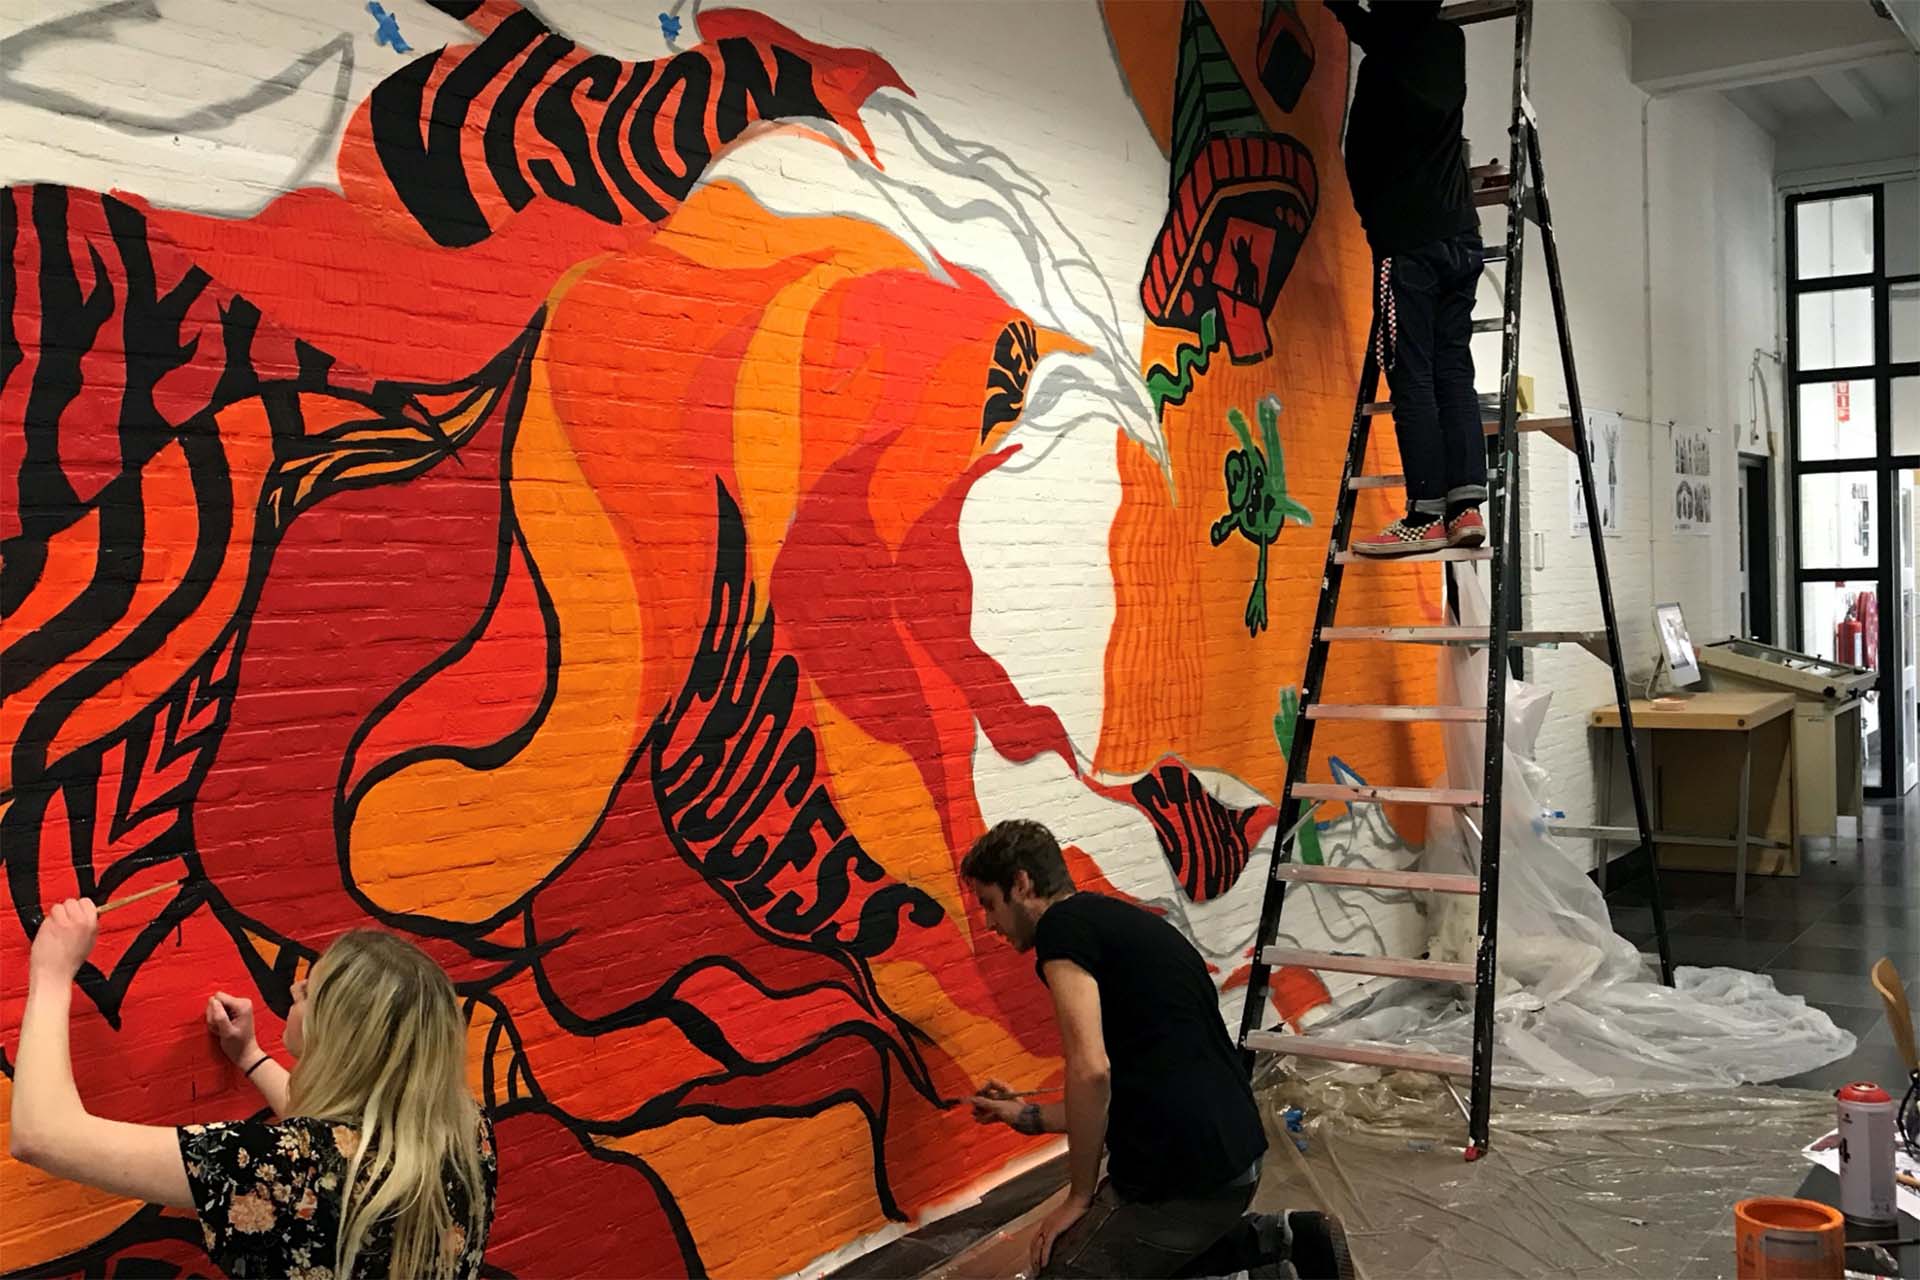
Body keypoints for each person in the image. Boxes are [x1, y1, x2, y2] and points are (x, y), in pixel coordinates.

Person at [12, 899, 495, 1279]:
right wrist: (250, 1056)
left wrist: (52, 973)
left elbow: (43, 1136)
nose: (294, 992)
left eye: (309, 993)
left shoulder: (282, 1170)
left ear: (337, 1036)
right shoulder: (466, 1131)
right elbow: (341, 1145)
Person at [961, 820, 1352, 1279]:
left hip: (1190, 1182)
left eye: (989, 903)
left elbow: (1091, 1073)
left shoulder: (1060, 929)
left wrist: (1078, 1197)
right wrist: (1023, 1115)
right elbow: (1110, 1098)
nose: (988, 923)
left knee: (1066, 1267)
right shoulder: (1119, 923)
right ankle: (1289, 1239)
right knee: (1139, 1248)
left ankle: (1269, 1254)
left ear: (1021, 884)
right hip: (1236, 1159)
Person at [1327, 0, 1488, 558]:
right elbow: (1383, 30)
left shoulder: (1388, 58)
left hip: (1408, 246)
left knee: (1411, 374)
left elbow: (1377, 32)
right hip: (1461, 237)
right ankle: (1465, 507)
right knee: (1453, 370)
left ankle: (1425, 514)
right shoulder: (1447, 44)